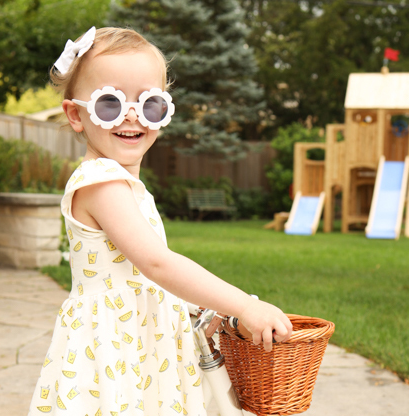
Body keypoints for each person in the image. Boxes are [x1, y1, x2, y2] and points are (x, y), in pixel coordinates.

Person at [28, 26, 292, 416]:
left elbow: (137, 272)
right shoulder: (101, 183)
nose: (132, 116)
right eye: (109, 105)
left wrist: (193, 307)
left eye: (149, 104)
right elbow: (156, 262)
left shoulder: (122, 182)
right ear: (76, 115)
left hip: (139, 339)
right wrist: (244, 306)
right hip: (114, 347)